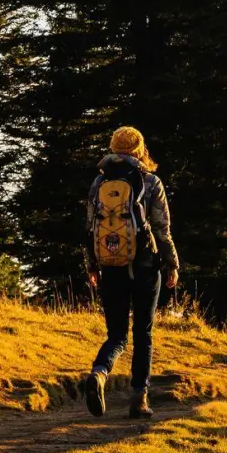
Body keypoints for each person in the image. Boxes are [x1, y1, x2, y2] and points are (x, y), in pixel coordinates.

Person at [83, 126, 179, 419]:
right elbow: (162, 229)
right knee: (143, 333)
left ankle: (99, 373)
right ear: (139, 150)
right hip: (145, 267)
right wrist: (172, 263)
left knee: (117, 335)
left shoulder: (99, 182)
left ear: (113, 149)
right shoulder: (150, 182)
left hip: (110, 265)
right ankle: (139, 400)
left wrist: (92, 265)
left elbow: (89, 228)